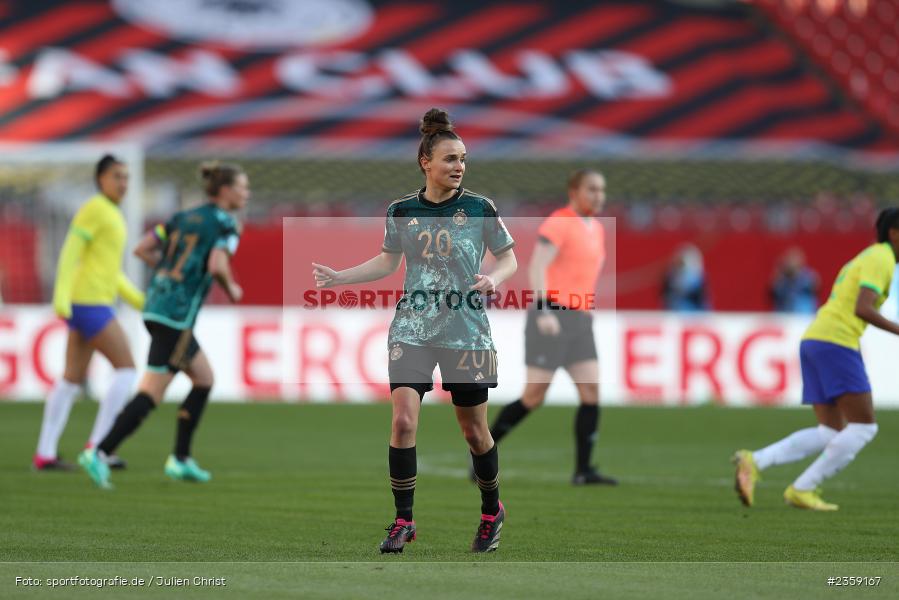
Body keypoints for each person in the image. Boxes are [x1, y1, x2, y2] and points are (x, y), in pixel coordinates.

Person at [312, 108, 518, 554]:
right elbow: (388, 261)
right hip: (412, 328)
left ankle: (491, 511)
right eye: (450, 159)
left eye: (463, 158)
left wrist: (494, 279)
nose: (459, 166)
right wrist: (341, 277)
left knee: (475, 433)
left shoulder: (480, 208)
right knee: (403, 421)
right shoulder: (401, 210)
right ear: (426, 162)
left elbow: (508, 258)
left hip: (467, 332)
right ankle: (403, 521)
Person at [79, 162, 247, 489]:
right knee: (152, 391)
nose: (246, 193)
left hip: (156, 303)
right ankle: (99, 451)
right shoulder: (227, 224)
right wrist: (233, 289)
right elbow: (216, 264)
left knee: (203, 378)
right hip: (177, 315)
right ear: (225, 191)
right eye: (242, 187)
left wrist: (170, 272)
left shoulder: (182, 217)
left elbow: (142, 249)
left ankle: (180, 459)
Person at [733, 208, 899, 511]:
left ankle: (754, 461)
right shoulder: (883, 259)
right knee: (864, 427)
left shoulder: (870, 256)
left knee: (831, 431)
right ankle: (802, 488)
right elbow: (863, 308)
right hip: (835, 341)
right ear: (894, 233)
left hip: (818, 339)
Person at [485, 169, 617, 485]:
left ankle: (583, 471)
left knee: (591, 391)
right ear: (574, 191)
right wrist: (544, 309)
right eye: (592, 189)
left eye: (602, 190)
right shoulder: (561, 221)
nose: (599, 195)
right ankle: (481, 451)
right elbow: (538, 265)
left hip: (579, 319)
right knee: (533, 396)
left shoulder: (596, 228)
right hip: (551, 315)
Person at [33, 154, 143, 471]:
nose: (123, 183)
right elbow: (70, 251)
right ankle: (98, 446)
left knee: (71, 378)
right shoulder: (95, 209)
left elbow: (110, 270)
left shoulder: (112, 213)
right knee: (126, 369)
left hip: (90, 301)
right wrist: (61, 296)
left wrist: (138, 300)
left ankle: (45, 454)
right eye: (116, 177)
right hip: (89, 303)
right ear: (100, 180)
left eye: (126, 177)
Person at [770, 247, 819, 314]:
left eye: (794, 260)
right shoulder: (782, 280)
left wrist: (796, 276)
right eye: (790, 260)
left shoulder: (808, 276)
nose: (792, 263)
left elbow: (816, 286)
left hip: (804, 315)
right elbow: (773, 292)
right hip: (784, 315)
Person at [661, 244, 709, 311]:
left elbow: (701, 300)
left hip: (694, 313)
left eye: (682, 263)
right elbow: (664, 296)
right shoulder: (671, 276)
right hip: (674, 312)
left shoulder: (696, 280)